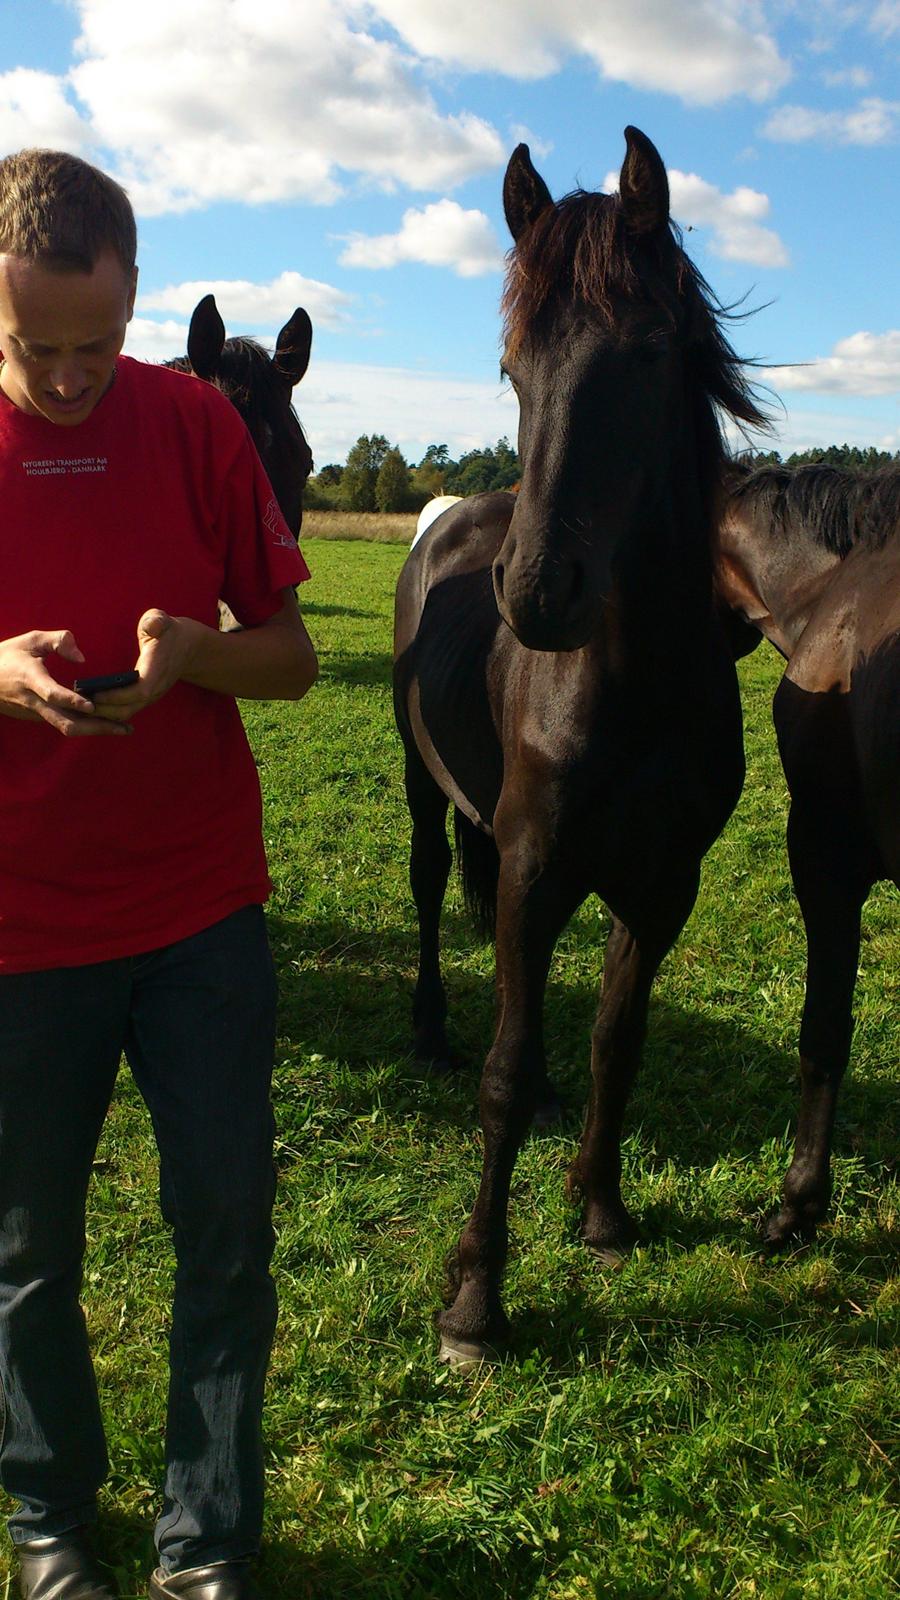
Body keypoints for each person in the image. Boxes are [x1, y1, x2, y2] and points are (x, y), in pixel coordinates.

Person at [0, 149, 318, 1600]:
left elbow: (296, 656)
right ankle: (51, 1521)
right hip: (19, 929)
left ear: (132, 295)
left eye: (95, 342)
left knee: (225, 1228)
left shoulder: (195, 423)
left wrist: (197, 653)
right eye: (32, 347)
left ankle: (211, 1540)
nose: (71, 377)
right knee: (25, 1252)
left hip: (199, 912)